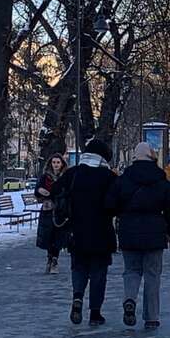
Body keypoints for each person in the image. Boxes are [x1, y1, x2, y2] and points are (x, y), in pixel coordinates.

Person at [106, 142, 170, 330]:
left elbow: (110, 205)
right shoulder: (161, 180)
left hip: (129, 231)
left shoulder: (123, 179)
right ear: (151, 156)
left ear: (135, 157)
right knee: (153, 274)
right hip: (155, 232)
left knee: (131, 271)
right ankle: (151, 317)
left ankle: (129, 299)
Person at [51, 139, 117, 326]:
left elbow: (55, 190)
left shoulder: (73, 173)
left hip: (76, 231)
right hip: (102, 232)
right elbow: (115, 204)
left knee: (79, 268)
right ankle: (95, 312)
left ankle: (78, 297)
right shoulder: (108, 176)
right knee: (99, 272)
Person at [35, 153, 68, 274]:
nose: (56, 165)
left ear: (62, 164)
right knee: (48, 235)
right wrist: (39, 190)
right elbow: (38, 189)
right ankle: (50, 258)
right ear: (50, 163)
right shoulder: (45, 177)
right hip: (48, 210)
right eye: (54, 162)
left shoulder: (65, 176)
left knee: (58, 236)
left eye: (58, 162)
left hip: (61, 210)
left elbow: (67, 191)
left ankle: (55, 260)